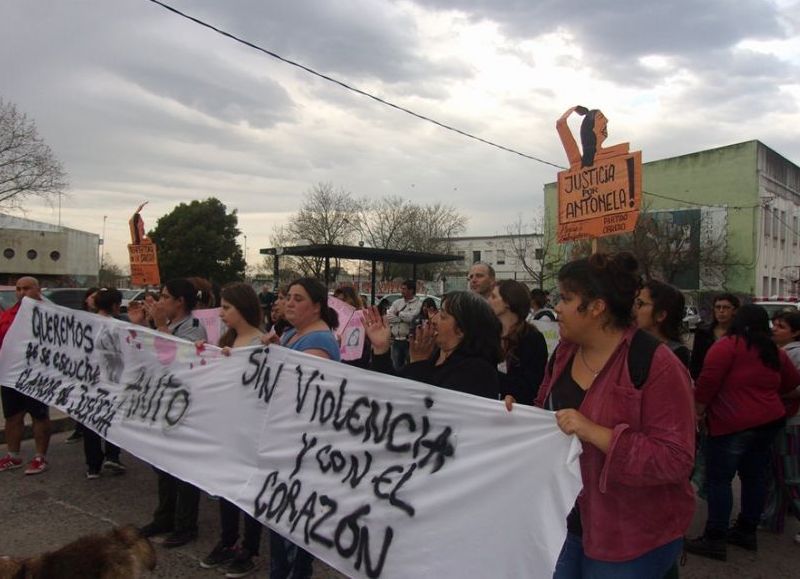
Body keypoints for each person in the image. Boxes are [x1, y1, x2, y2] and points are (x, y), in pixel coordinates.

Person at [507, 253, 695, 578]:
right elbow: (548, 416)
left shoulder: (656, 364)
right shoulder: (564, 354)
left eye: (565, 298)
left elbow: (676, 459)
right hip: (563, 521)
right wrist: (521, 418)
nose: (557, 308)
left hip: (629, 538)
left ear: (596, 307)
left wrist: (596, 432)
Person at [687, 304, 800, 561]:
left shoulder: (728, 346)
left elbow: (707, 383)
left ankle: (715, 537)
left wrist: (699, 411)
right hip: (769, 421)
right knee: (754, 477)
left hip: (731, 421)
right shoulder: (774, 351)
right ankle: (746, 531)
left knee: (720, 479)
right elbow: (791, 381)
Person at [270, 277, 340, 579]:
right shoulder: (292, 336)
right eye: (288, 297)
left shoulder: (318, 342)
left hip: (301, 448)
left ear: (316, 307)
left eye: (298, 298)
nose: (289, 303)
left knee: (291, 530)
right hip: (285, 442)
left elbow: (301, 397)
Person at [200, 283, 264, 577]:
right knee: (226, 488)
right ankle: (227, 540)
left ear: (243, 308)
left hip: (250, 433)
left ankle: (249, 548)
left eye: (227, 308)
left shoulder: (262, 344)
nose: (222, 313)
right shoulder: (227, 341)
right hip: (225, 430)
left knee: (249, 491)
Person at [139, 279, 208, 549]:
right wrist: (144, 325)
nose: (161, 301)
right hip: (164, 403)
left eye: (165, 296)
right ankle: (164, 517)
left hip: (184, 408)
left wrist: (160, 326)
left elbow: (177, 360)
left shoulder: (192, 327)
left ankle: (185, 525)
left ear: (180, 302)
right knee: (163, 465)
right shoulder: (170, 325)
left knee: (183, 470)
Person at [365, 291, 502, 400]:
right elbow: (391, 391)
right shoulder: (433, 355)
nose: (433, 320)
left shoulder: (478, 372)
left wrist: (418, 364)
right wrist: (381, 350)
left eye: (442, 316)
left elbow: (421, 408)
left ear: (460, 330)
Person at [0, 277, 53, 475]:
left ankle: (40, 457)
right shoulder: (8, 314)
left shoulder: (51, 313)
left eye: (27, 288)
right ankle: (13, 455)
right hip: (11, 376)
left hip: (38, 376)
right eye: (18, 289)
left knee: (39, 416)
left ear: (38, 289)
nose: (22, 292)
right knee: (12, 417)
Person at [762, 310, 800, 544]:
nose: (775, 329)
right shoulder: (780, 352)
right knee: (776, 473)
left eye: (782, 326)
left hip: (792, 422)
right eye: (774, 324)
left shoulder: (795, 354)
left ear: (795, 332)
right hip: (781, 420)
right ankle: (772, 518)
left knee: (792, 475)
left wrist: (773, 393)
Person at [83, 287, 126, 479]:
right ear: (116, 305)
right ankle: (112, 456)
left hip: (87, 380)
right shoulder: (119, 327)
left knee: (90, 420)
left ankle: (93, 466)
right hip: (112, 381)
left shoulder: (84, 323)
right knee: (111, 418)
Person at [489, 280, 548, 404]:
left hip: (517, 411)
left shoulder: (533, 339)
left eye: (494, 296)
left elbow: (532, 385)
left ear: (508, 302)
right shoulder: (488, 334)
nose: (489, 300)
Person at [65, 287, 100, 445]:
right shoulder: (78, 317)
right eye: (92, 297)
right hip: (81, 368)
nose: (94, 300)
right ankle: (80, 429)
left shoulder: (107, 318)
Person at [633, 279, 691, 368]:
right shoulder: (631, 344)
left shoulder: (675, 353)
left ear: (660, 315)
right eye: (634, 303)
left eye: (640, 303)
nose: (634, 309)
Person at [556, 105, 629, 170]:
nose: (606, 121)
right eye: (601, 118)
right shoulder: (579, 163)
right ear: (591, 128)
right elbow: (560, 125)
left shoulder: (614, 154)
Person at [689, 293, 740, 380]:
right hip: (707, 381)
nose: (721, 311)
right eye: (718, 307)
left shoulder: (740, 334)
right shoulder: (703, 333)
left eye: (726, 307)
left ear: (734, 310)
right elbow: (695, 362)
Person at [385, 280, 422, 371]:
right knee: (396, 367)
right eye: (401, 288)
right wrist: (402, 318)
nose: (401, 291)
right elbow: (388, 317)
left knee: (410, 367)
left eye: (404, 289)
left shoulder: (418, 304)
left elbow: (412, 318)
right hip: (396, 341)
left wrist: (398, 314)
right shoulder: (397, 302)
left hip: (409, 341)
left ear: (411, 290)